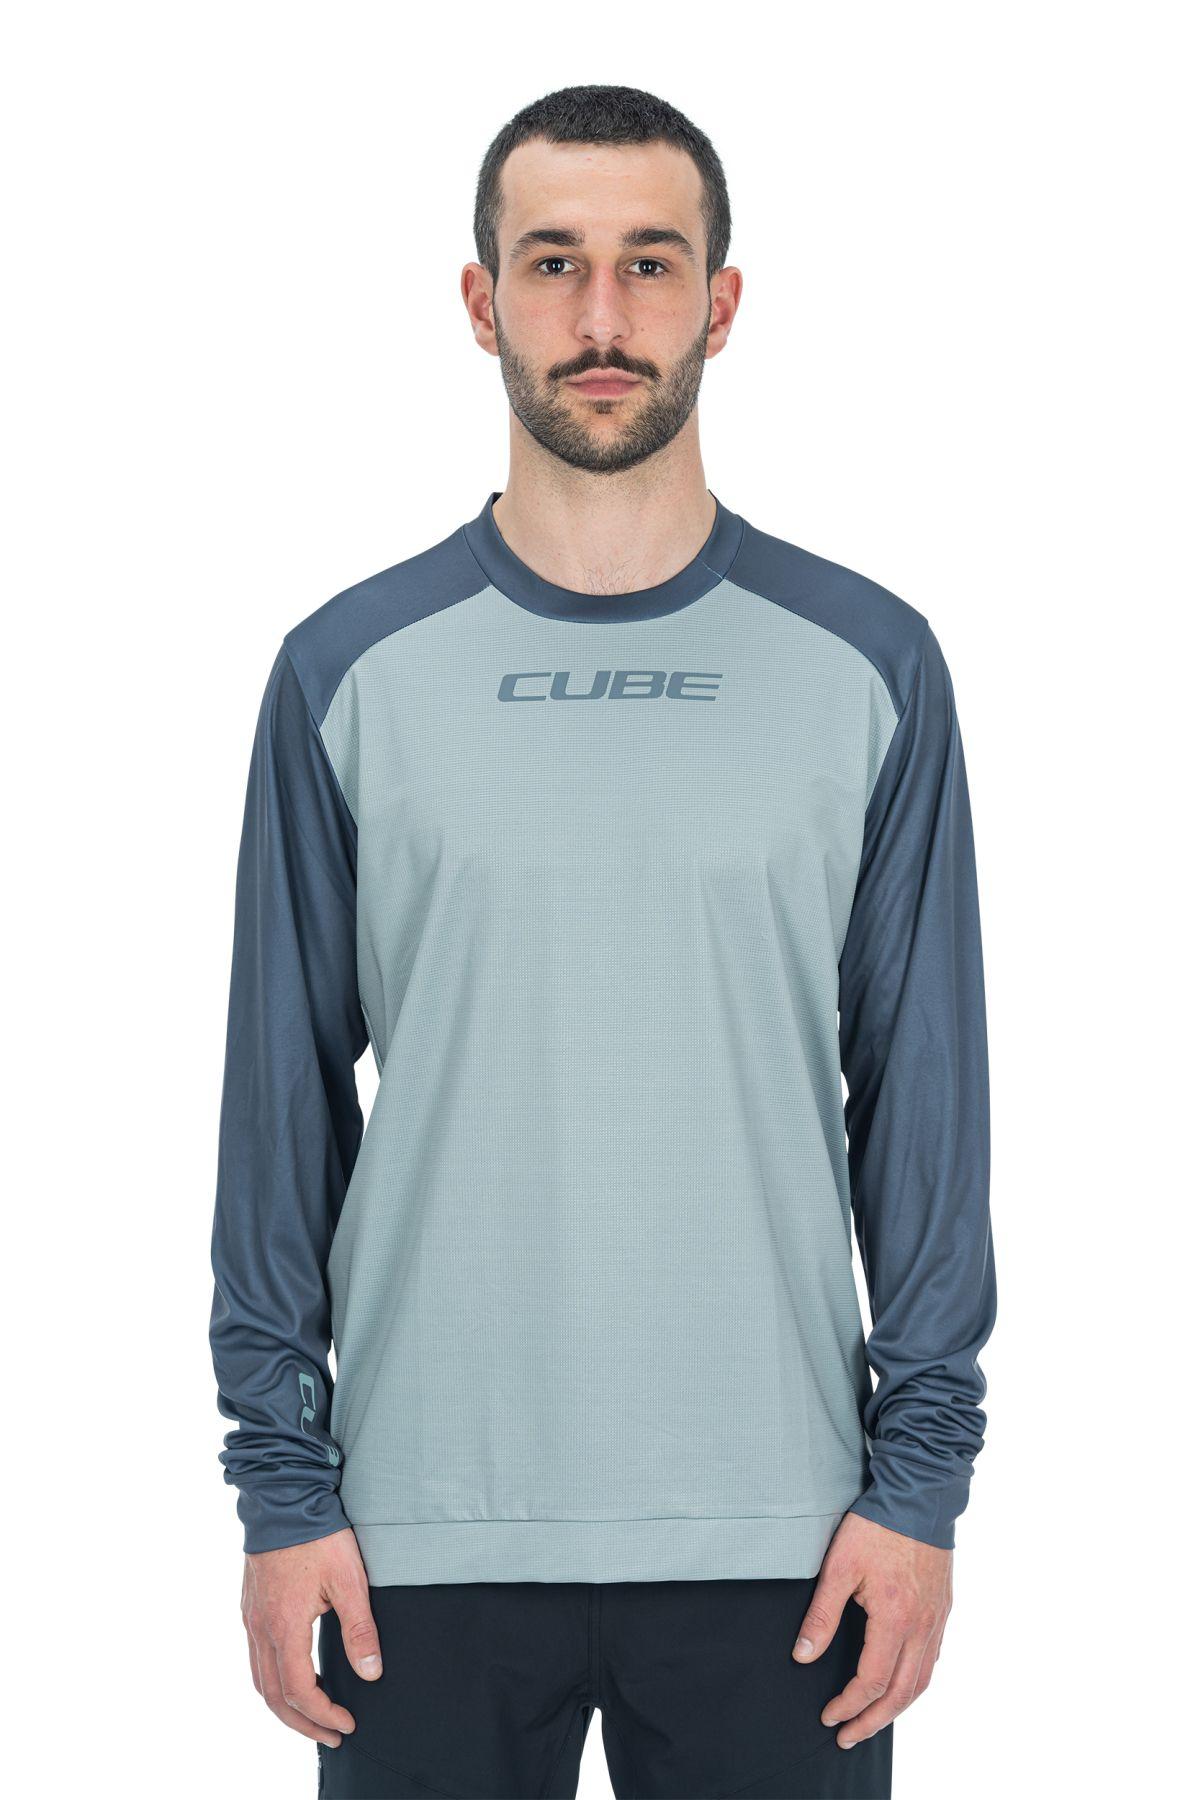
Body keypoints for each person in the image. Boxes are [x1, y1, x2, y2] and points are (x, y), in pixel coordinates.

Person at [209, 82, 997, 1800]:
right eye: (553, 262)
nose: (601, 315)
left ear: (722, 302)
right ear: (480, 300)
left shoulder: (869, 665)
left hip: (792, 1545)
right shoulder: (347, 671)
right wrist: (282, 1490)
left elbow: (923, 1111)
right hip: (410, 1542)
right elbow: (279, 1114)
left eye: (650, 262)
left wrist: (920, 1490)